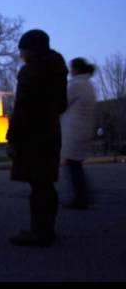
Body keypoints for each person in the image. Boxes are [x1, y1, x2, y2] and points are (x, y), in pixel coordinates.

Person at [6, 29, 68, 247]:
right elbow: (62, 104)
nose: (21, 55)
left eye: (22, 50)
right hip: (50, 133)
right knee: (46, 184)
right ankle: (46, 229)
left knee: (38, 186)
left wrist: (12, 136)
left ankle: (39, 232)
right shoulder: (58, 70)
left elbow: (21, 108)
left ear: (30, 50)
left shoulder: (30, 72)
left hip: (32, 136)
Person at [61, 57, 97, 209]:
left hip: (73, 129)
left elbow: (62, 102)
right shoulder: (89, 85)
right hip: (84, 128)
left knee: (72, 163)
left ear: (76, 69)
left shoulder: (76, 85)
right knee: (76, 164)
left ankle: (81, 198)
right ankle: (83, 196)